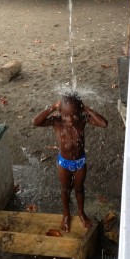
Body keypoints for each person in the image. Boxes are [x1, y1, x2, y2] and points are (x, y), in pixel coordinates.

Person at [32, 92, 108, 232]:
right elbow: (35, 122)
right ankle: (66, 214)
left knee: (79, 188)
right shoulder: (56, 121)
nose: (71, 119)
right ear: (60, 112)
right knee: (65, 189)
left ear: (79, 112)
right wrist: (53, 107)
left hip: (80, 162)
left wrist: (86, 109)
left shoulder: (82, 119)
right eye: (66, 115)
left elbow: (103, 124)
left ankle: (81, 212)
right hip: (64, 163)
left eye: (74, 114)